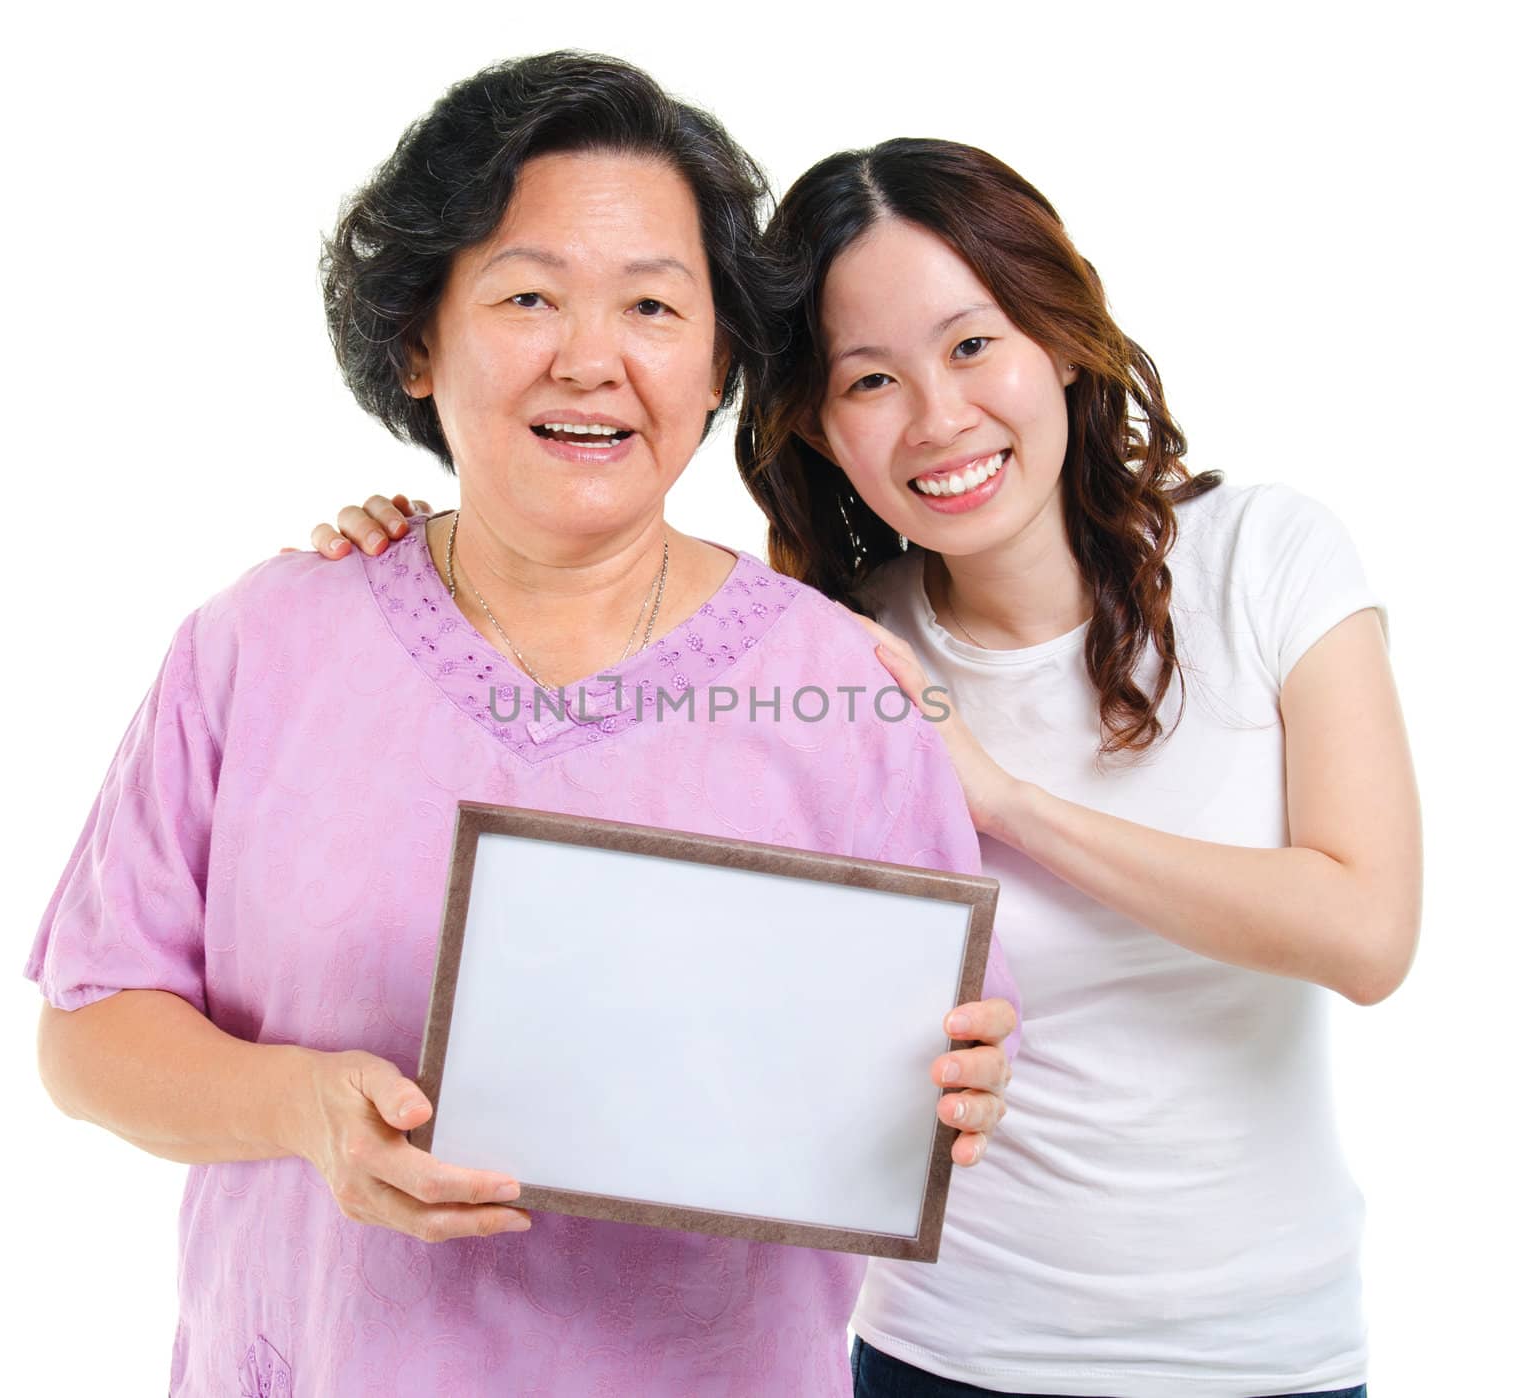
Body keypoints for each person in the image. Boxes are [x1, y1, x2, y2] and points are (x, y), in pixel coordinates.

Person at [322, 138, 1417, 1397]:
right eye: (869, 381)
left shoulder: (1264, 561)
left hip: (1265, 1351)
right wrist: (423, 552)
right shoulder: (841, 649)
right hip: (935, 1351)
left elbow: (1366, 931)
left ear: (1057, 339)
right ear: (819, 425)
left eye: (970, 345)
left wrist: (1007, 804)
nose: (938, 417)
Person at [26, 58, 1021, 1397]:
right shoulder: (260, 643)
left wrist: (950, 1087)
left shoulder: (845, 687)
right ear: (420, 341)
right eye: (528, 295)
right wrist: (303, 1112)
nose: (589, 358)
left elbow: (935, 1061)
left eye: (654, 306)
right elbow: (88, 1033)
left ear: (721, 359)